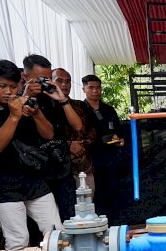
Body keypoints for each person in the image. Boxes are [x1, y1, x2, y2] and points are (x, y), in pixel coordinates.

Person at [0, 59, 89, 251]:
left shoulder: (22, 101)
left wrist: (35, 113)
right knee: (17, 238)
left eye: (13, 85)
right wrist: (14, 117)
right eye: (2, 86)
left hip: (34, 178)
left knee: (54, 229)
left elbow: (48, 134)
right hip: (2, 184)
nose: (9, 91)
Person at [22, 55, 83, 220]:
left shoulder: (53, 96)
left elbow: (77, 126)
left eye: (47, 78)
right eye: (39, 79)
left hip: (61, 166)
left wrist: (62, 99)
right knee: (43, 223)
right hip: (36, 171)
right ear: (25, 77)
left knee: (69, 216)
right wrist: (27, 97)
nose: (44, 82)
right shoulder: (18, 100)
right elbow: (45, 134)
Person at [81, 74, 125, 218]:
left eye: (98, 87)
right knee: (95, 193)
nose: (95, 91)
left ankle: (114, 223)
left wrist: (120, 140)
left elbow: (118, 130)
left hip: (111, 157)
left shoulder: (109, 110)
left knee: (113, 190)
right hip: (91, 159)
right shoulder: (80, 109)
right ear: (84, 89)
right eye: (91, 88)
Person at [53, 68, 97, 192]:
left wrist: (80, 146)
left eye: (68, 81)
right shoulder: (44, 106)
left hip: (83, 164)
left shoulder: (80, 105)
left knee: (87, 205)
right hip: (58, 168)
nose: (64, 85)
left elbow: (92, 130)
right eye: (59, 81)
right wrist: (68, 145)